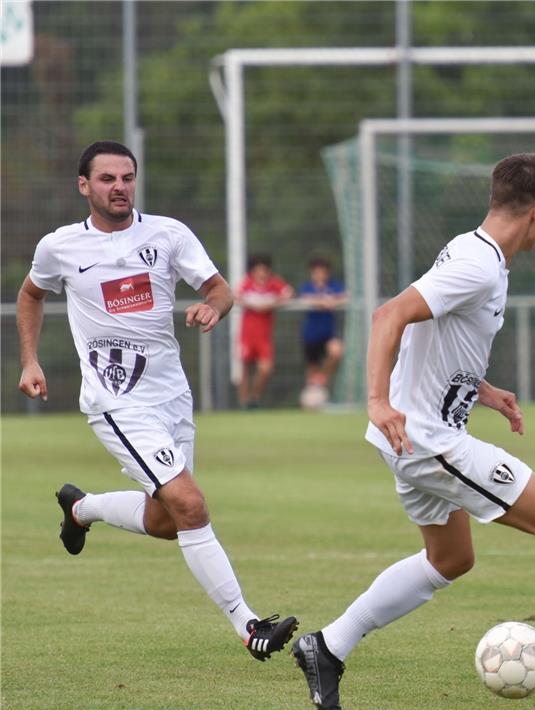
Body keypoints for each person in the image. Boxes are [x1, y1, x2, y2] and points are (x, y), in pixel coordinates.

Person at [292, 153, 535, 710]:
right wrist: (376, 399)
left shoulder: (471, 248)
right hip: (427, 439)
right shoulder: (478, 266)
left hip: (412, 434)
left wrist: (484, 390)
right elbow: (388, 316)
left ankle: (327, 646)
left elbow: (437, 332)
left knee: (451, 558)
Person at [16, 140, 298, 662]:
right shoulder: (60, 247)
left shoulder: (167, 234)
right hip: (116, 400)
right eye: (106, 179)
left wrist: (214, 308)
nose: (118, 187)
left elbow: (219, 289)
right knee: (190, 503)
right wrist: (30, 360)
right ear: (84, 186)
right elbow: (31, 293)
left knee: (169, 521)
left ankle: (82, 508)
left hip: (171, 394)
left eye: (126, 178)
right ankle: (249, 625)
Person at [235, 253, 294, 409]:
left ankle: (254, 398)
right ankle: (243, 403)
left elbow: (288, 293)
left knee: (265, 368)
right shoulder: (246, 283)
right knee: (244, 368)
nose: (261, 273)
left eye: (264, 270)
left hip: (264, 336)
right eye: (258, 270)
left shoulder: (274, 284)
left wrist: (271, 303)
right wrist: (254, 304)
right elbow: (236, 296)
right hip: (247, 334)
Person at [298, 257, 345, 409]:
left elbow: (344, 296)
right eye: (317, 272)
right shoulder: (307, 287)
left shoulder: (333, 286)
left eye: (323, 272)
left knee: (336, 351)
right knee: (311, 371)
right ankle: (312, 405)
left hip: (328, 333)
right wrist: (320, 301)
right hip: (311, 334)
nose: (320, 275)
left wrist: (333, 301)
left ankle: (321, 377)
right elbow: (304, 297)